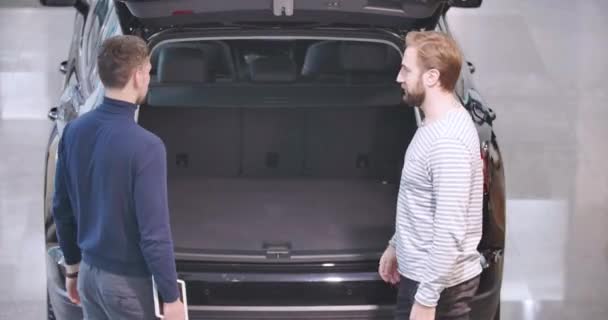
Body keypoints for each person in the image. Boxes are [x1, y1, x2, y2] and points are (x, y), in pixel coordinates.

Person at [52, 35, 185, 320]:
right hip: (128, 287)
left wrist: (73, 268)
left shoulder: (74, 131)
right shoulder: (147, 147)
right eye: (148, 72)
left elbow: (61, 209)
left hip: (89, 275)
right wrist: (170, 296)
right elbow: (154, 233)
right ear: (138, 75)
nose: (149, 80)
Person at [378, 31, 484, 320]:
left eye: (406, 69)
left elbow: (450, 230)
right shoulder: (435, 123)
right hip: (426, 279)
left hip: (441, 288)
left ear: (432, 77)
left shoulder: (447, 142)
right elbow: (421, 202)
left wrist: (426, 299)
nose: (399, 78)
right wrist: (396, 244)